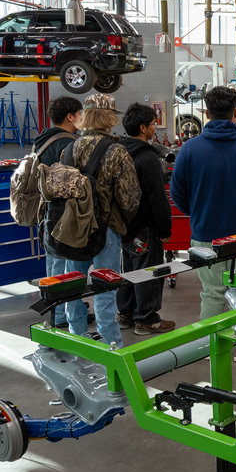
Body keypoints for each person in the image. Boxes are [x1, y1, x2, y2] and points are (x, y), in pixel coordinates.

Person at [171, 86, 236, 320]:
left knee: (212, 294)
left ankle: (213, 349)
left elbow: (178, 195)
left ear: (207, 114)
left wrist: (199, 211)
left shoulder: (189, 150)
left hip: (205, 234)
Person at [63, 93, 141, 347]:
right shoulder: (116, 151)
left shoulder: (69, 148)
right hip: (106, 229)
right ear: (109, 118)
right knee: (106, 288)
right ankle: (111, 345)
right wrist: (125, 222)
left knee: (72, 285)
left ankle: (77, 338)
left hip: (73, 228)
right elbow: (130, 197)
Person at [116, 103, 175, 336]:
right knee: (150, 271)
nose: (155, 129)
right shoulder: (147, 157)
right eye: (152, 125)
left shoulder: (119, 150)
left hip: (124, 224)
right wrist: (165, 228)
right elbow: (157, 198)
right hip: (146, 226)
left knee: (129, 269)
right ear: (142, 127)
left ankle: (126, 313)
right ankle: (147, 319)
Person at [34, 96, 82, 328]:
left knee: (53, 263)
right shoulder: (67, 144)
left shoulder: (42, 140)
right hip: (67, 214)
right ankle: (68, 313)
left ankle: (58, 313)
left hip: (47, 212)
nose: (82, 118)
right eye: (79, 113)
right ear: (70, 117)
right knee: (69, 267)